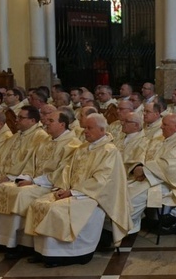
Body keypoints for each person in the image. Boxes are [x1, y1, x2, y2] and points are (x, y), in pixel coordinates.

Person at [24, 114, 130, 267]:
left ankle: (73, 254)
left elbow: (102, 180)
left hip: (93, 196)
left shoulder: (109, 150)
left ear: (102, 129)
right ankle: (44, 251)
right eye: (84, 127)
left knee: (55, 209)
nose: (85, 131)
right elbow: (68, 170)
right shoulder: (82, 147)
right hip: (73, 191)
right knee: (39, 203)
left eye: (89, 128)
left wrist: (73, 192)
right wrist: (63, 187)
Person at [0, 109, 81, 258]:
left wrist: (33, 181)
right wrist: (24, 178)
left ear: (62, 124)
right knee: (2, 188)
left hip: (48, 185)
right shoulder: (46, 140)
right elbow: (30, 164)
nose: (46, 123)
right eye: (46, 120)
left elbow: (62, 173)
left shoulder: (72, 144)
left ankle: (21, 244)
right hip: (33, 181)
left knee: (20, 194)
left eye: (51, 121)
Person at [126, 114, 176, 238]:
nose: (161, 127)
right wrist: (139, 166)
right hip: (153, 177)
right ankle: (127, 225)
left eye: (165, 125)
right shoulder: (165, 139)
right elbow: (147, 153)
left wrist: (144, 170)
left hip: (168, 184)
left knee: (133, 195)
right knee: (125, 188)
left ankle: (124, 229)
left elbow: (170, 168)